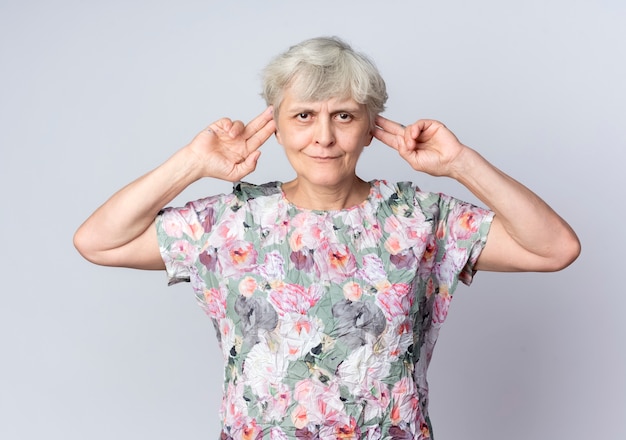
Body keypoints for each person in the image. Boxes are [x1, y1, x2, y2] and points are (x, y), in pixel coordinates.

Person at [74, 36, 580, 439]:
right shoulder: (229, 221)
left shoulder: (418, 218)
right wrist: (193, 163)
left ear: (368, 127)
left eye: (343, 115)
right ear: (274, 126)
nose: (323, 137)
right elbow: (98, 241)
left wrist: (459, 164)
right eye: (302, 116)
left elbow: (555, 248)